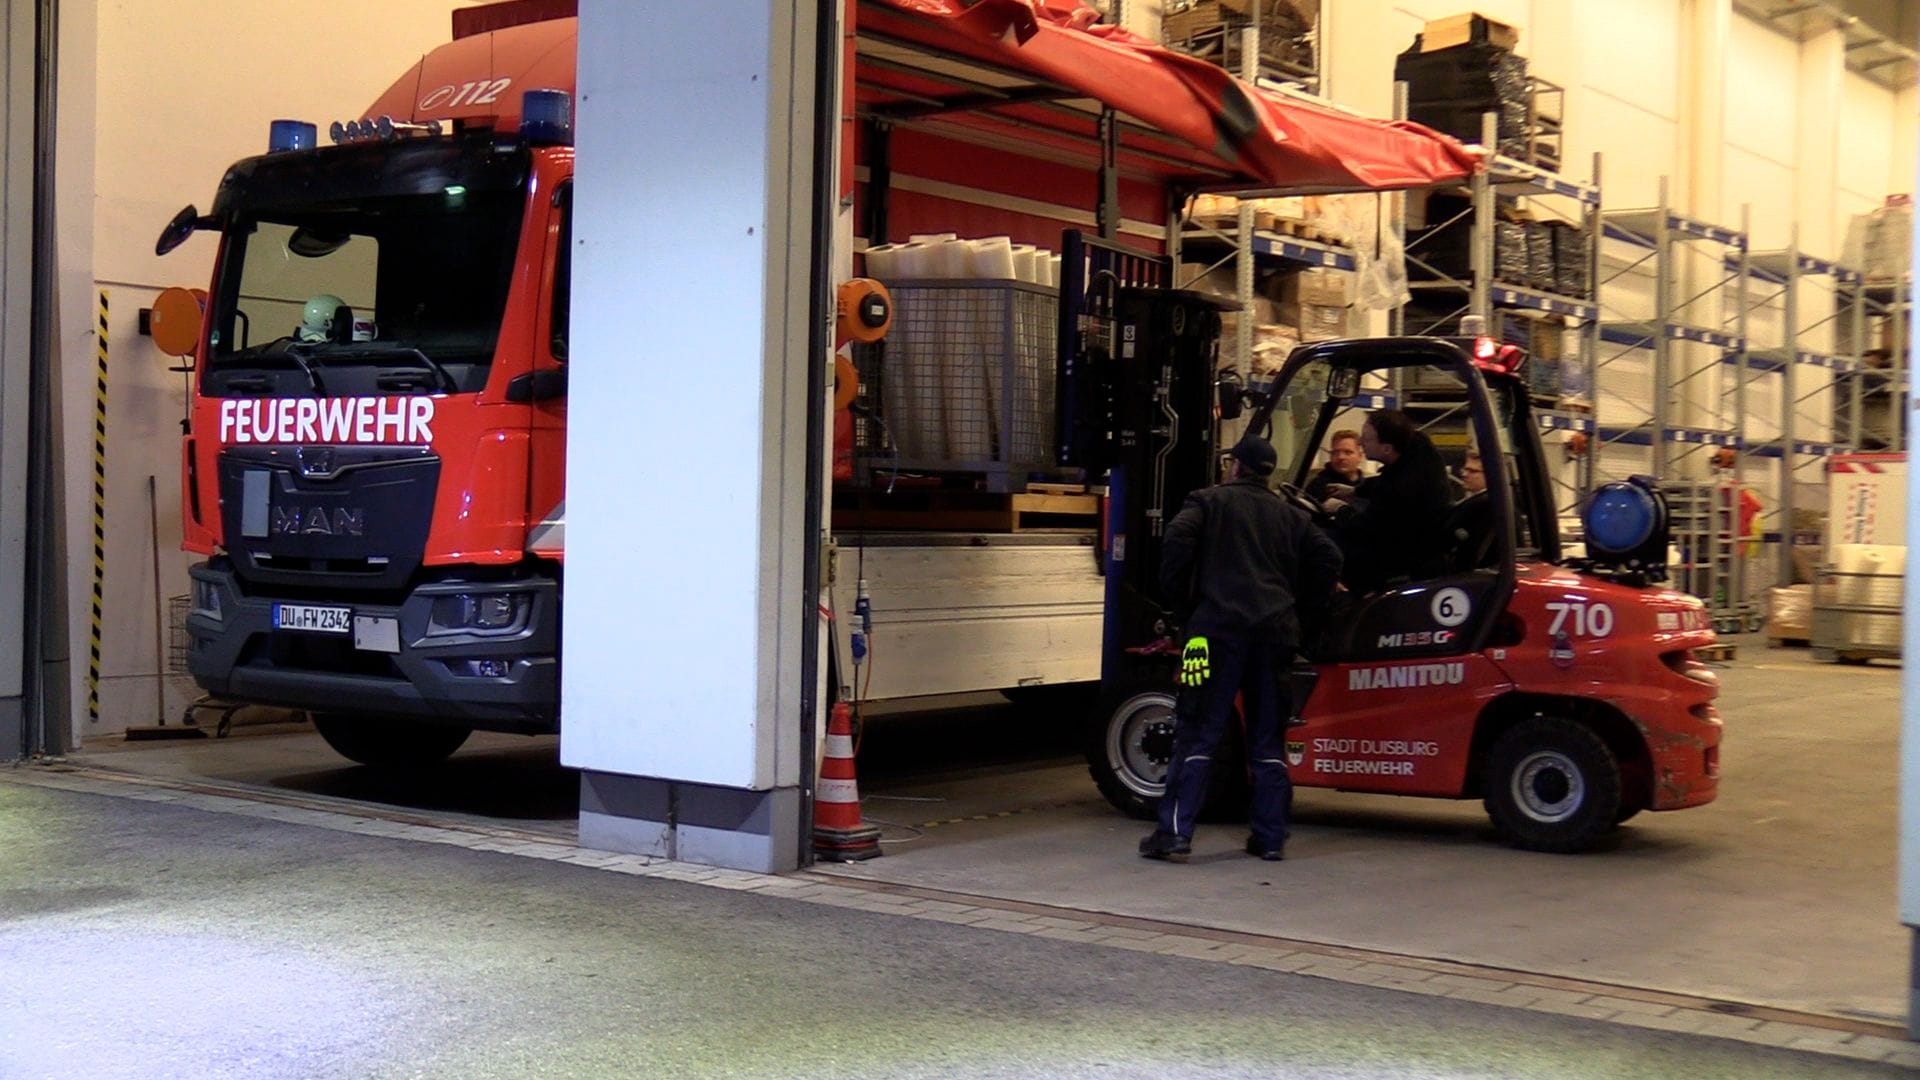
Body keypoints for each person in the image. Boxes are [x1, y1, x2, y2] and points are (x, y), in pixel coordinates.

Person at [1139, 433, 1343, 863]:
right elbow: (1329, 558)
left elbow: (1176, 544)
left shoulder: (1206, 502)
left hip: (1209, 638)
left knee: (1196, 730)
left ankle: (1174, 834)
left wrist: (1184, 605)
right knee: (1268, 740)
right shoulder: (1292, 517)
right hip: (1275, 638)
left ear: (1234, 466)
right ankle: (1270, 838)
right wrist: (1301, 607)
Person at [1324, 409, 1452, 593]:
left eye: (1367, 439)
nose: (1360, 443)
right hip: (1412, 544)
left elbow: (1366, 527)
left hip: (1398, 553)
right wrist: (1355, 490)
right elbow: (1388, 479)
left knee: (1318, 543)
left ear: (1386, 448)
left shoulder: (1402, 491)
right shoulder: (1416, 448)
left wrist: (1340, 509)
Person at [1303, 428, 1365, 504]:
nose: (1340, 457)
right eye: (1336, 452)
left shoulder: (1368, 486)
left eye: (1348, 452)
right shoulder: (1318, 485)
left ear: (1360, 456)